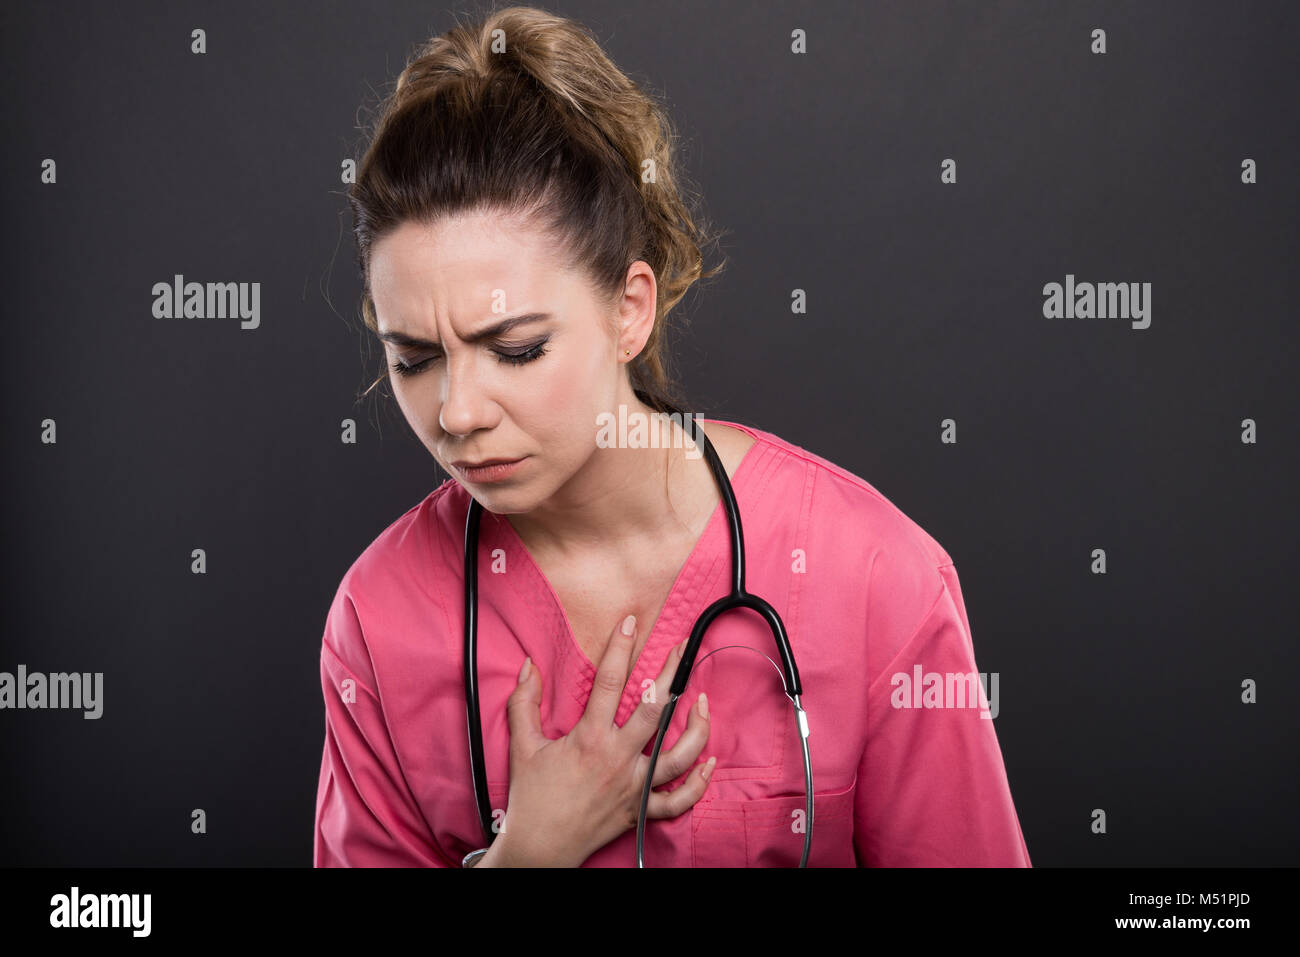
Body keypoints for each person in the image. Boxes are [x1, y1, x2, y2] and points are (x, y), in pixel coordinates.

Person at [313, 5, 1031, 867]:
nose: (458, 412)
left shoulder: (876, 578)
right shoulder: (380, 619)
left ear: (630, 308)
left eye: (517, 348)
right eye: (415, 357)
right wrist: (525, 856)